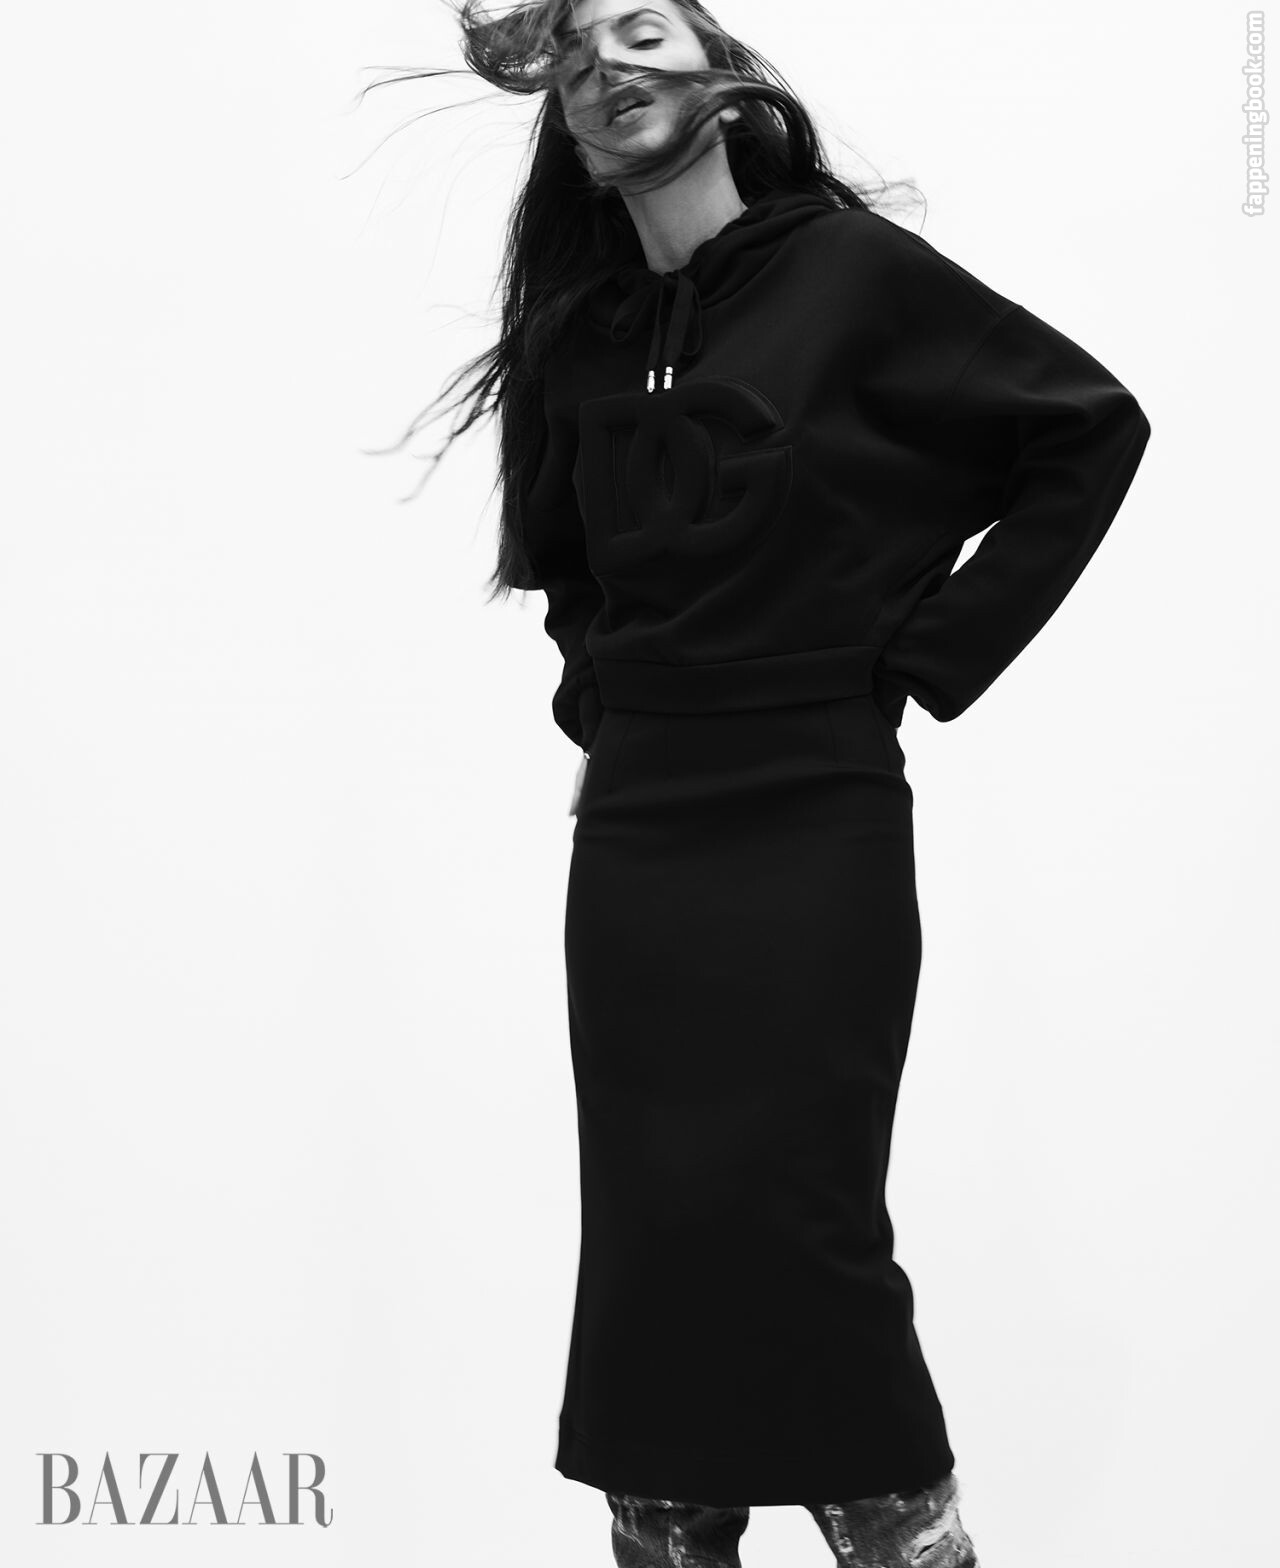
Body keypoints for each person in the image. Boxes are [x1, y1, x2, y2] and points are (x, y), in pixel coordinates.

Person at [375, 2, 1151, 1562]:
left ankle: (900, 1531)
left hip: (816, 801)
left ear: (722, 76)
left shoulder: (851, 275)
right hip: (640, 833)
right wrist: (609, 706)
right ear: (566, 125)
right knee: (653, 1213)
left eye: (641, 31)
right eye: (576, 60)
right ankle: (669, 1529)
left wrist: (925, 654)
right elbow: (568, 565)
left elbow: (1088, 430)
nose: (609, 67)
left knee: (802, 1202)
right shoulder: (578, 335)